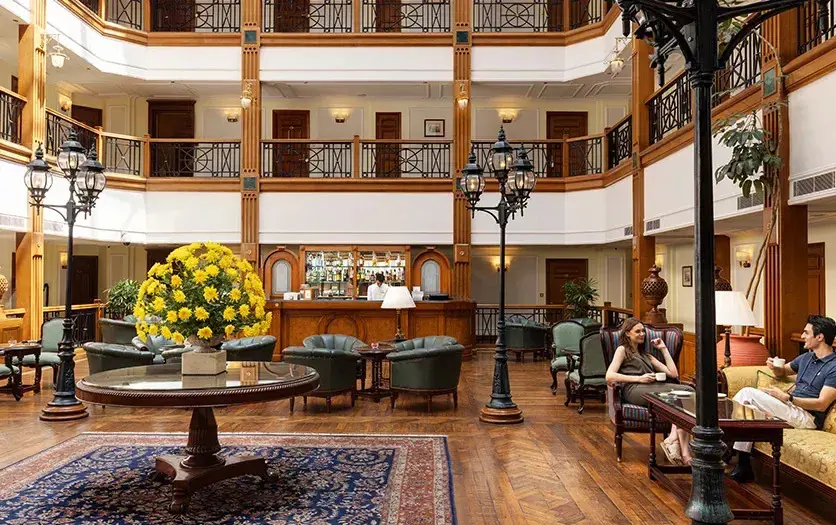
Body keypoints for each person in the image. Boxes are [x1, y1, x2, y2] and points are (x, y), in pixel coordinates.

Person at [730, 315, 836, 482]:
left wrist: (788, 398)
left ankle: (728, 450)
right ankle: (743, 463)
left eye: (806, 332)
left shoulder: (833, 367)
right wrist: (775, 367)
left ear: (820, 337)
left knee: (747, 394)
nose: (802, 336)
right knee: (752, 409)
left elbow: (822, 404)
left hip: (807, 417)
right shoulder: (806, 358)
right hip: (790, 408)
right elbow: (784, 372)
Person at [605, 318, 695, 465]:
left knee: (686, 394)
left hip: (652, 388)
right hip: (633, 390)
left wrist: (663, 349)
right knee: (687, 391)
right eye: (638, 331)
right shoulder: (622, 350)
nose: (642, 334)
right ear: (628, 333)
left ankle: (677, 445)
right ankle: (677, 446)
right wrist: (638, 379)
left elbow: (673, 374)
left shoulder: (647, 355)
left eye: (643, 331)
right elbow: (609, 376)